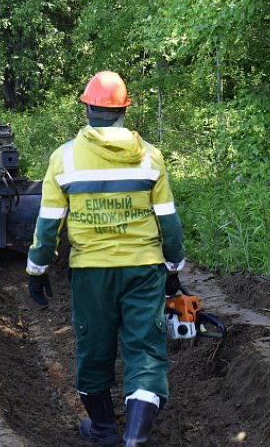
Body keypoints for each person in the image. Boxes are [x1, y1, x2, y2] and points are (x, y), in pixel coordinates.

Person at [26, 71, 185, 446]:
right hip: (144, 270)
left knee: (93, 348)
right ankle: (135, 437)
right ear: (123, 110)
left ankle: (103, 428)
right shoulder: (150, 157)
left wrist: (37, 268)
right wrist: (173, 269)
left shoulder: (64, 159)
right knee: (145, 351)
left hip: (91, 273)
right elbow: (169, 223)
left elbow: (49, 224)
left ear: (88, 108)